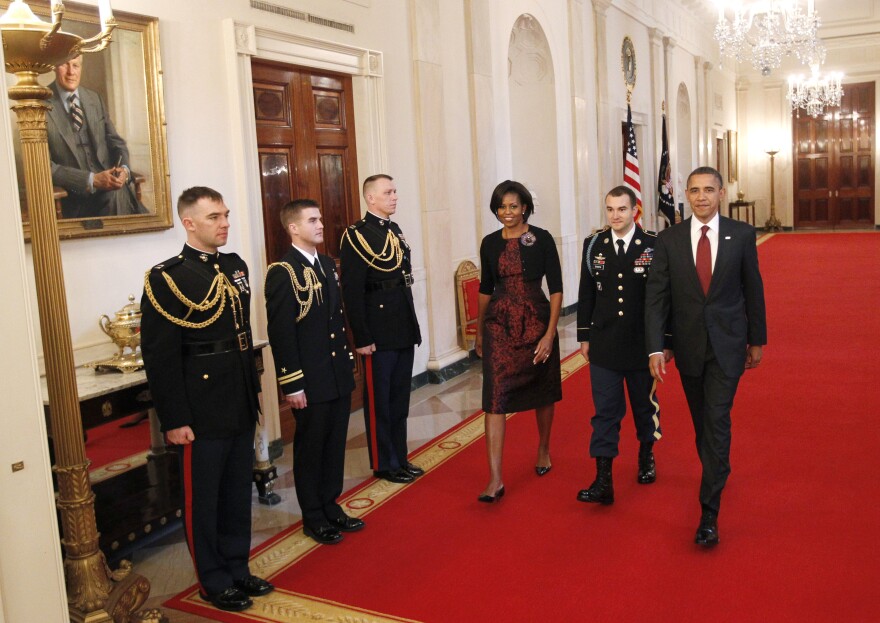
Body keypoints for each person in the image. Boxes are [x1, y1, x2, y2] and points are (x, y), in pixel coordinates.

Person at [140, 187, 273, 612]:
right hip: (199, 405)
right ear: (190, 223)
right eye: (215, 217)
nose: (225, 223)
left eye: (226, 214)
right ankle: (213, 580)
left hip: (236, 395)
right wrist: (174, 417)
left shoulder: (234, 267)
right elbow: (160, 357)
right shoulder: (167, 277)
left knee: (237, 490)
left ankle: (237, 566)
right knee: (204, 498)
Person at [645, 166, 766, 547]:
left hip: (729, 345)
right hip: (689, 347)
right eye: (694, 190)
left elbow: (753, 289)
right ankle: (718, 465)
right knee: (703, 426)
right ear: (685, 193)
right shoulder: (669, 240)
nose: (701, 197)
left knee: (716, 419)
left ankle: (708, 514)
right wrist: (655, 346)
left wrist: (757, 339)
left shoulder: (742, 235)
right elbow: (657, 298)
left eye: (709, 190)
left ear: (722, 192)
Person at [265, 199, 363, 545]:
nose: (321, 224)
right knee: (311, 448)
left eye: (320, 218)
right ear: (293, 228)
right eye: (312, 220)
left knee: (335, 443)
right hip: (309, 378)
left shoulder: (324, 263)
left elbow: (336, 321)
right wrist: (292, 383)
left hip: (334, 372)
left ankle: (330, 504)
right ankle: (313, 515)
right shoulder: (283, 271)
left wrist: (347, 365)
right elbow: (282, 333)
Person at [576, 186, 665, 506]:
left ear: (634, 211)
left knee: (645, 407)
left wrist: (663, 343)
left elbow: (661, 298)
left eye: (622, 210)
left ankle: (646, 457)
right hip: (605, 344)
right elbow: (586, 293)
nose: (615, 216)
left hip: (641, 345)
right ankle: (603, 480)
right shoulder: (593, 245)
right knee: (605, 413)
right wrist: (584, 336)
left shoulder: (653, 244)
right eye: (610, 210)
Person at [475, 180, 563, 502]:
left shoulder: (541, 239)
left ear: (524, 206)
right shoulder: (488, 243)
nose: (506, 212)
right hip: (499, 323)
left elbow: (555, 288)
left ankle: (543, 449)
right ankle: (495, 478)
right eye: (501, 207)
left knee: (542, 388)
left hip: (536, 320)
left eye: (512, 206)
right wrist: (480, 332)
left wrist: (550, 333)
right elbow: (485, 288)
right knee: (494, 396)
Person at [339, 174, 423, 484]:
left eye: (395, 190)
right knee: (380, 403)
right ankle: (384, 463)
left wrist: (413, 326)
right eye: (387, 192)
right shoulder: (356, 235)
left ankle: (399, 457)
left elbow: (403, 281)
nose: (394, 196)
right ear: (370, 198)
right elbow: (352, 291)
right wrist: (361, 337)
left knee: (399, 399)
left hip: (401, 325)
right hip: (377, 331)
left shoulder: (395, 231)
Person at [47, 55, 146, 219]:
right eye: (65, 65)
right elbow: (45, 167)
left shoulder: (94, 98)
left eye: (76, 65)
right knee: (119, 197)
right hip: (73, 198)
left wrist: (125, 171)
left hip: (110, 190)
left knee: (116, 193)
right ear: (53, 67)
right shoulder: (41, 104)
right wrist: (91, 180)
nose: (71, 72)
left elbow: (116, 143)